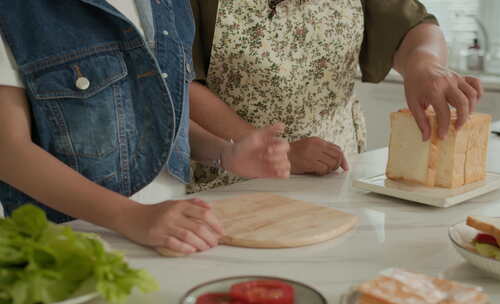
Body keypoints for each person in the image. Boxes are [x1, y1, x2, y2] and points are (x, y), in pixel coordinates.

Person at [0, 1, 290, 255]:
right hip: (67, 249)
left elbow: (149, 114)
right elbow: (8, 150)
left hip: (175, 236)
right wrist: (132, 217)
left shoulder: (167, 5)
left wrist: (225, 153)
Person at [187, 0, 484, 193]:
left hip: (334, 175)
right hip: (229, 177)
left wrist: (425, 65)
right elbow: (182, 83)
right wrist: (276, 151)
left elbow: (414, 28)